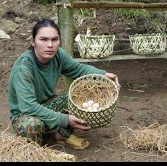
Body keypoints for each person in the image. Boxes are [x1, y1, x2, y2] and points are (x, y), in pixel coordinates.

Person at [8, 18, 120, 150]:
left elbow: (78, 69)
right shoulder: (24, 68)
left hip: (47, 103)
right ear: (33, 42)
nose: (50, 45)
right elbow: (28, 107)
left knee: (76, 101)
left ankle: (61, 136)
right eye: (43, 39)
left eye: (54, 39)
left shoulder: (58, 55)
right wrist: (64, 119)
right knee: (31, 125)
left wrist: (102, 74)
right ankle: (35, 151)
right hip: (24, 113)